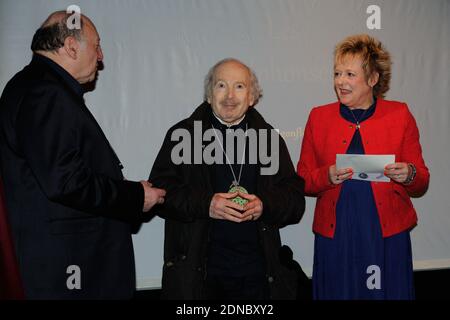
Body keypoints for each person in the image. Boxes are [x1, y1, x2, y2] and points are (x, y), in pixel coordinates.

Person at [0, 11, 166, 299]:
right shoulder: (46, 93)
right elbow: (65, 182)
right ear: (71, 46)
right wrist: (135, 196)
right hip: (71, 269)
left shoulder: (35, 87)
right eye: (97, 45)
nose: (101, 57)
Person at [149, 58, 305, 300]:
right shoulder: (183, 136)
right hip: (199, 276)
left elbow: (295, 201)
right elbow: (160, 193)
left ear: (252, 97)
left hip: (258, 275)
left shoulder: (269, 140)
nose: (230, 95)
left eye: (239, 86)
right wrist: (206, 203)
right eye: (221, 85)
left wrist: (264, 205)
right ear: (209, 95)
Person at [297, 34, 430, 300]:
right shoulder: (318, 117)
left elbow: (421, 180)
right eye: (337, 73)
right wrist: (327, 175)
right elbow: (303, 179)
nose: (340, 81)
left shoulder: (400, 114)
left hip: (385, 235)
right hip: (337, 234)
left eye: (349, 74)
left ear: (372, 79)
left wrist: (409, 173)